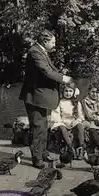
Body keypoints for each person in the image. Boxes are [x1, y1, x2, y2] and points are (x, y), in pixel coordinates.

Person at [19, 29, 72, 169]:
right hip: (34, 96)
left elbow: (50, 70)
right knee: (37, 127)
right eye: (53, 42)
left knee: (43, 126)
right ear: (45, 41)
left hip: (40, 96)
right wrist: (63, 79)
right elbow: (46, 71)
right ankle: (37, 159)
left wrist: (61, 77)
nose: (55, 44)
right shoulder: (35, 52)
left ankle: (42, 153)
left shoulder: (41, 51)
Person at [49, 82, 86, 167]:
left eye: (70, 91)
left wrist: (76, 121)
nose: (68, 93)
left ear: (74, 92)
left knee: (80, 126)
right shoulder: (60, 102)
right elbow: (56, 115)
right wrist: (61, 122)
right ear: (63, 91)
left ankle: (81, 148)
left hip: (73, 121)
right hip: (62, 121)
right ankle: (71, 148)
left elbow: (81, 115)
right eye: (66, 91)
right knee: (62, 128)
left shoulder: (77, 103)